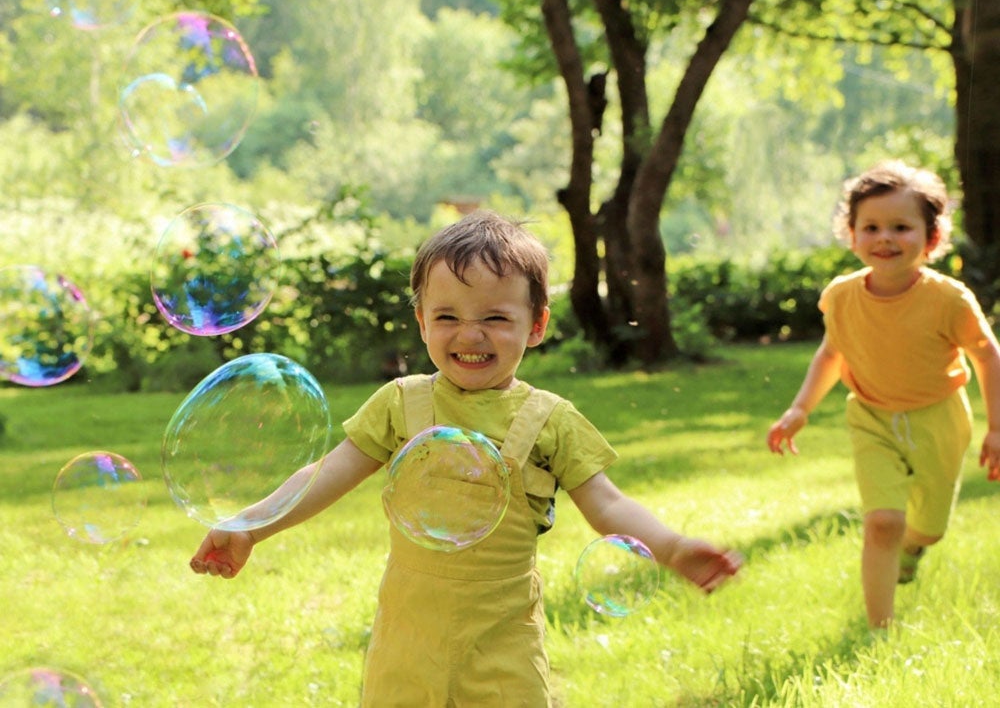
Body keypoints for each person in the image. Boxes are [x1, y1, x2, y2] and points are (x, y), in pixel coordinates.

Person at [190, 210, 742, 706]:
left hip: (504, 648)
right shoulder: (401, 404)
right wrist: (251, 525)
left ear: (537, 325)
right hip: (406, 646)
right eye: (447, 316)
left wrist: (671, 547)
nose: (470, 335)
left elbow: (607, 503)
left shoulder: (549, 420)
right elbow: (327, 472)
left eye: (495, 318)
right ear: (422, 322)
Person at [767, 160, 1000, 630]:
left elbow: (987, 356)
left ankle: (913, 548)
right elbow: (832, 352)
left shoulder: (949, 300)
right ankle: (880, 630)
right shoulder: (841, 296)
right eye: (870, 227)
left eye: (901, 227)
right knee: (882, 523)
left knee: (927, 529)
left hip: (939, 418)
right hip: (871, 417)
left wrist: (996, 428)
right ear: (851, 235)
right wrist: (800, 408)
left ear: (932, 237)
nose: (884, 238)